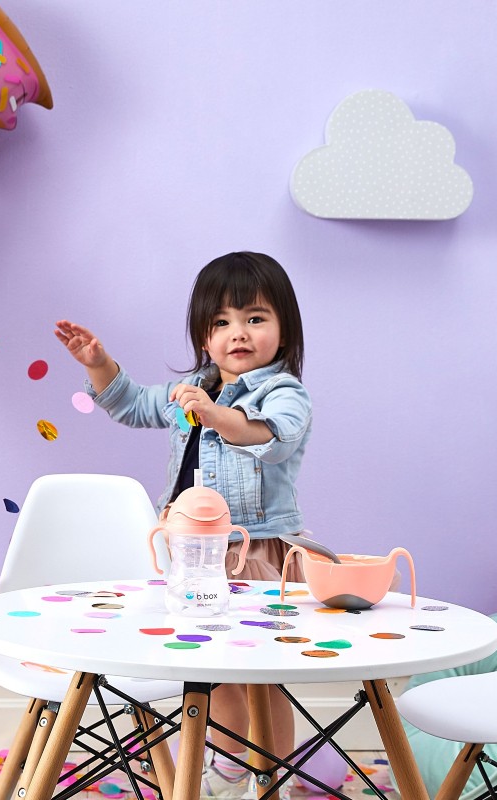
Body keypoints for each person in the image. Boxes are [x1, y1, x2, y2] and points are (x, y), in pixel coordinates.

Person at [55, 251, 312, 800]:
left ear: (284, 329)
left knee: (263, 676)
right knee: (211, 669)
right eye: (221, 322)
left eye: (255, 318)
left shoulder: (283, 393)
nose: (237, 333)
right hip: (190, 555)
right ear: (203, 336)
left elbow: (272, 435)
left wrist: (215, 413)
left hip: (253, 551)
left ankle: (275, 777)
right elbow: (128, 404)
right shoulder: (189, 390)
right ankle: (227, 767)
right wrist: (98, 363)